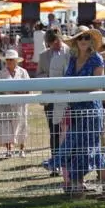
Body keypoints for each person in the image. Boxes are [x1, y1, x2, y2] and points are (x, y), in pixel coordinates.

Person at [44, 26, 105, 197]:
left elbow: (97, 86)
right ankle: (77, 186)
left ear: (92, 41)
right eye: (80, 38)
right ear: (76, 42)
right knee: (75, 146)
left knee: (89, 148)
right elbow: (66, 81)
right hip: (75, 109)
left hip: (92, 111)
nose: (84, 41)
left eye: (86, 37)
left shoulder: (97, 59)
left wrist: (75, 87)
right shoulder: (72, 59)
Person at [35, 28, 69, 169]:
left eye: (56, 41)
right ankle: (55, 163)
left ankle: (67, 162)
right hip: (51, 98)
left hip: (68, 97)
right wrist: (50, 76)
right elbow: (38, 75)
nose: (54, 45)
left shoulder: (71, 52)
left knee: (67, 130)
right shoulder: (43, 56)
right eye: (51, 43)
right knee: (54, 131)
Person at [0, 49, 30, 157]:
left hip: (20, 104)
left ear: (16, 61)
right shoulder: (1, 73)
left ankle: (21, 150)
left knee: (22, 126)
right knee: (7, 127)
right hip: (6, 104)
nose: (9, 62)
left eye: (12, 60)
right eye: (8, 60)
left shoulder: (23, 72)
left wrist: (22, 91)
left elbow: (30, 87)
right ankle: (9, 150)